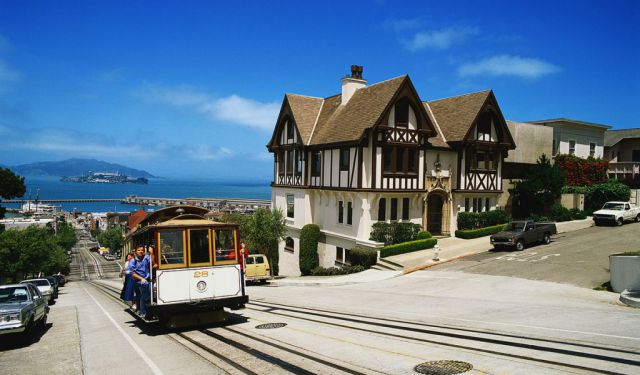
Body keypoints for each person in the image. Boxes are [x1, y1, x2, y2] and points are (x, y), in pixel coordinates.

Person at [129, 246, 154, 318]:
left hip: (147, 278)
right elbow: (132, 273)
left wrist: (151, 253)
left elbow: (152, 263)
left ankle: (143, 312)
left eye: (142, 250)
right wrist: (141, 279)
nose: (141, 251)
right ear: (136, 252)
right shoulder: (133, 261)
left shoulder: (146, 257)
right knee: (145, 287)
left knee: (143, 295)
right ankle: (147, 300)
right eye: (139, 250)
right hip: (139, 280)